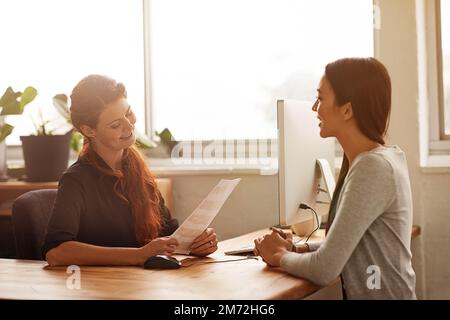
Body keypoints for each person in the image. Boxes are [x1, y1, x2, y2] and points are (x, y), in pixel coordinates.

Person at [254, 58, 416, 299]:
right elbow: (347, 244)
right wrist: (298, 248)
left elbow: (325, 269)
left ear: (347, 110)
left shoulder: (372, 167)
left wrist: (279, 256)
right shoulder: (381, 158)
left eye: (320, 98)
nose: (314, 108)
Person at [42, 74, 218, 266]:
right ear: (89, 130)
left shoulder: (136, 170)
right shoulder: (76, 180)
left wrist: (195, 243)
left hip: (141, 285)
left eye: (128, 113)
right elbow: (56, 253)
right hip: (101, 290)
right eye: (116, 124)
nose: (129, 126)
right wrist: (138, 255)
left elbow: (167, 232)